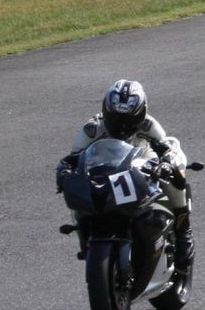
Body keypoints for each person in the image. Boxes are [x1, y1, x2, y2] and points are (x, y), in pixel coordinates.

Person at [55, 79, 194, 269]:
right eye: (115, 119)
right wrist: (64, 172)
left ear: (141, 113)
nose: (121, 126)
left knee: (175, 175)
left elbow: (166, 148)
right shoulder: (93, 129)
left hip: (140, 170)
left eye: (128, 121)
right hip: (105, 173)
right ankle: (86, 236)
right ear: (106, 112)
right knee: (80, 189)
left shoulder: (148, 125)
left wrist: (167, 164)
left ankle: (184, 233)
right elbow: (73, 158)